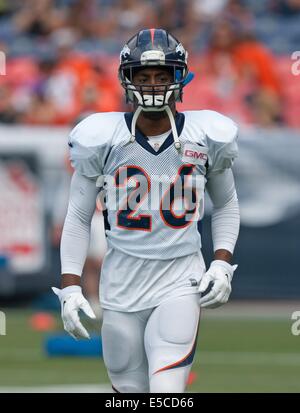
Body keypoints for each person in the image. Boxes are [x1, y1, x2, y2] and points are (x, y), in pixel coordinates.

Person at [52, 28, 240, 393]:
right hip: (119, 282)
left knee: (167, 390)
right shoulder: (101, 138)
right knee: (127, 392)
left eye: (161, 76)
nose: (153, 84)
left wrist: (220, 261)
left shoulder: (206, 134)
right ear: (128, 80)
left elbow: (227, 203)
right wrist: (71, 285)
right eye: (144, 76)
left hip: (179, 277)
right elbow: (76, 216)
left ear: (179, 77)